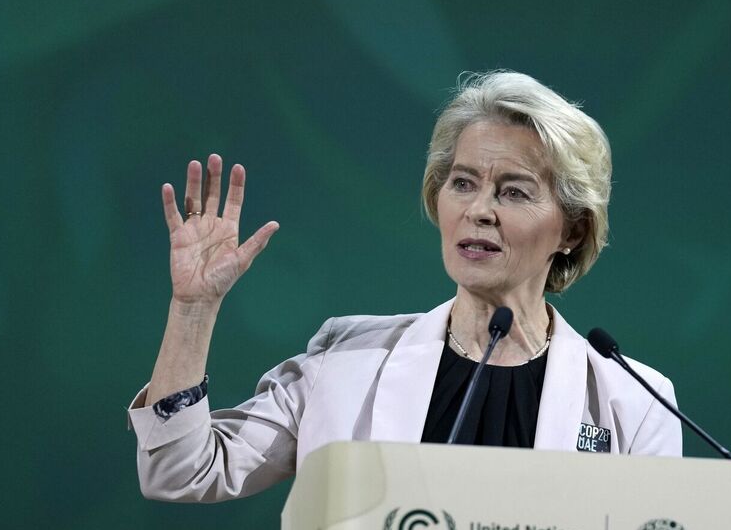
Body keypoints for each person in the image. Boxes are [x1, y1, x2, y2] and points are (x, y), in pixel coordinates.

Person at [129, 71, 682, 502]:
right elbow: (181, 471)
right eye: (462, 183)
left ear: (572, 229)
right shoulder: (345, 364)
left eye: (514, 192)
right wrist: (193, 309)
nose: (479, 210)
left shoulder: (632, 402)